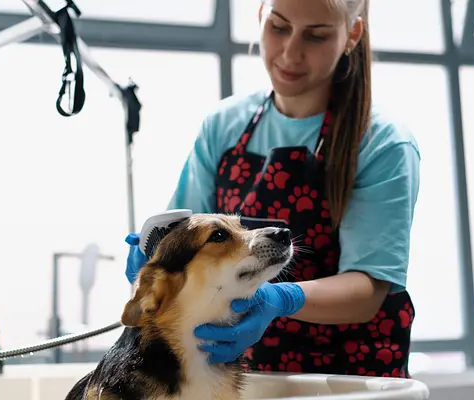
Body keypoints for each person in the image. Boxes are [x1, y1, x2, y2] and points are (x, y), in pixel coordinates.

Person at [125, 0, 420, 378]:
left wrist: (280, 298)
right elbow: (185, 239)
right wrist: (152, 257)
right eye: (279, 27)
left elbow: (368, 288)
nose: (291, 52)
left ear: (352, 35)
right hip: (243, 369)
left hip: (348, 373)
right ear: (260, 15)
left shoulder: (383, 142)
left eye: (316, 35)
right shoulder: (224, 126)